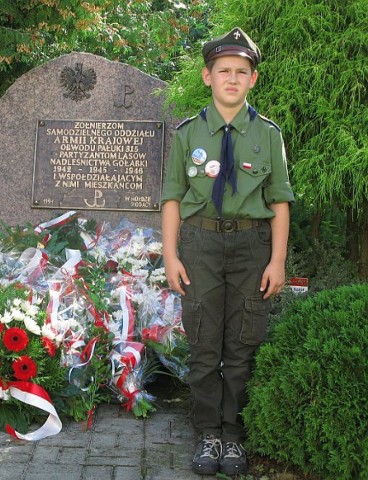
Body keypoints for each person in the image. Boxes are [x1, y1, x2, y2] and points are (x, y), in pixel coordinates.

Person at [161, 27, 294, 476]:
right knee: (202, 340)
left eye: (241, 72)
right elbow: (173, 198)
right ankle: (208, 434)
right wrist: (171, 255)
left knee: (242, 341)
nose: (232, 79)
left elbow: (278, 202)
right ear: (207, 76)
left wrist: (276, 261)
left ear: (253, 79)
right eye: (224, 71)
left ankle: (232, 436)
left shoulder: (268, 135)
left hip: (251, 245)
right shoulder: (187, 134)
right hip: (199, 243)